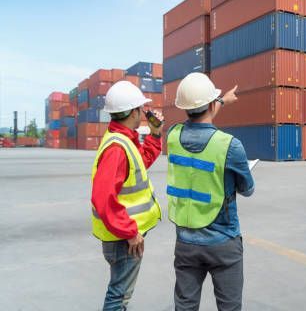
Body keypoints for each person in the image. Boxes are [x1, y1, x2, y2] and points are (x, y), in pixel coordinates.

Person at [166, 72, 254, 311]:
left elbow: (198, 124)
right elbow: (248, 189)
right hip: (223, 242)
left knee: (184, 307)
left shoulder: (172, 136)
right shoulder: (230, 146)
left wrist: (222, 101)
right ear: (211, 103)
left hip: (185, 241)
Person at [90, 80, 164, 311]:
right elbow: (103, 199)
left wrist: (155, 134)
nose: (144, 113)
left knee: (120, 294)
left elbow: (140, 162)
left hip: (121, 236)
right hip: (123, 240)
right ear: (133, 111)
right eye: (141, 109)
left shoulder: (123, 139)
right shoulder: (117, 148)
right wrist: (130, 232)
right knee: (118, 297)